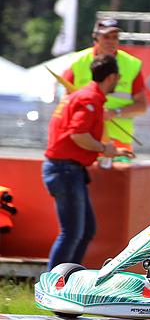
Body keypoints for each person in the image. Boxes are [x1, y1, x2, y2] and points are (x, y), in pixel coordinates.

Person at [43, 55, 134, 270]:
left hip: (67, 169)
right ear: (112, 77)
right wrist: (104, 149)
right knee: (72, 233)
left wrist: (110, 150)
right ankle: (52, 285)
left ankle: (68, 281)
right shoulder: (89, 99)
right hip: (65, 169)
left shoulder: (86, 96)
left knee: (85, 231)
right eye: (118, 77)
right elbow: (78, 135)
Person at [63, 19, 147, 155]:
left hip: (118, 141)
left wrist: (115, 112)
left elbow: (141, 106)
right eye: (106, 37)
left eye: (115, 37)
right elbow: (65, 99)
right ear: (95, 37)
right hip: (84, 138)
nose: (111, 41)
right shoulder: (77, 61)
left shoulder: (132, 65)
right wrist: (91, 111)